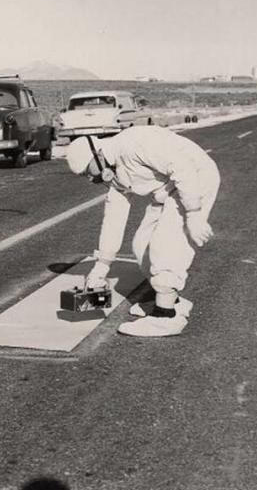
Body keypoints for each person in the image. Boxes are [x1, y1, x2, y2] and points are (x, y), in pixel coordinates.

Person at [66, 126, 220, 337]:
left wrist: (193, 213)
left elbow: (183, 167)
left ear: (98, 154)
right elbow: (113, 220)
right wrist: (101, 267)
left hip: (195, 178)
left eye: (87, 171)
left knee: (165, 245)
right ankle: (173, 301)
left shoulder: (134, 144)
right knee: (141, 245)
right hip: (167, 190)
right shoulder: (114, 171)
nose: (90, 179)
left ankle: (166, 317)